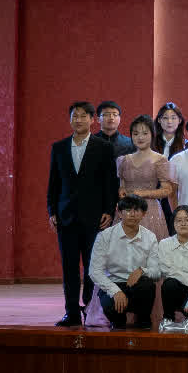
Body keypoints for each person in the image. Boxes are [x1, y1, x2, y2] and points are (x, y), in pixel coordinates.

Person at [47, 100, 119, 326]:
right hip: (66, 217)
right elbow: (53, 183)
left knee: (92, 267)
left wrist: (109, 210)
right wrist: (52, 210)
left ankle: (89, 308)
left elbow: (110, 183)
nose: (78, 120)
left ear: (92, 119)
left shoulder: (103, 147)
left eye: (83, 116)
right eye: (74, 116)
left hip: (95, 217)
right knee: (69, 267)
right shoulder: (59, 147)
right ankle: (71, 313)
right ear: (70, 120)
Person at [86, 195, 158, 330]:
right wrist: (115, 291)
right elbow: (94, 271)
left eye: (137, 210)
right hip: (113, 283)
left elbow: (157, 271)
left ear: (143, 214)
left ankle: (143, 321)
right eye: (128, 210)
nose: (132, 214)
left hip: (137, 285)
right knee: (113, 310)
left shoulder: (150, 237)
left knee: (147, 285)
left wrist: (142, 270)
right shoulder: (105, 236)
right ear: (119, 213)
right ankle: (118, 321)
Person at [151, 205, 188, 328]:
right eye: (179, 220)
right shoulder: (164, 244)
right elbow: (166, 269)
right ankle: (168, 319)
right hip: (173, 292)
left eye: (187, 220)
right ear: (173, 224)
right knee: (169, 283)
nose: (183, 223)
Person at [116, 114, 174, 240]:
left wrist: (143, 193)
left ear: (152, 134)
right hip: (126, 209)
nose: (140, 137)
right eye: (135, 134)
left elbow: (167, 190)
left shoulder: (160, 159)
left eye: (145, 133)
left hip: (149, 210)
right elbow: (122, 185)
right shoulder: (123, 160)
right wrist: (122, 190)